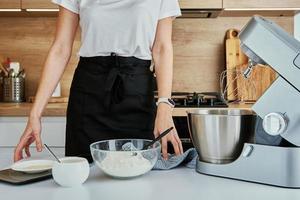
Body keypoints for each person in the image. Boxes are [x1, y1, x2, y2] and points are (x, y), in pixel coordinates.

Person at [14, 0, 183, 162]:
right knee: (83, 178)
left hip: (137, 96)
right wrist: (35, 114)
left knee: (138, 176)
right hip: (88, 96)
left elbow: (162, 48)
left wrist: (164, 106)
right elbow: (60, 48)